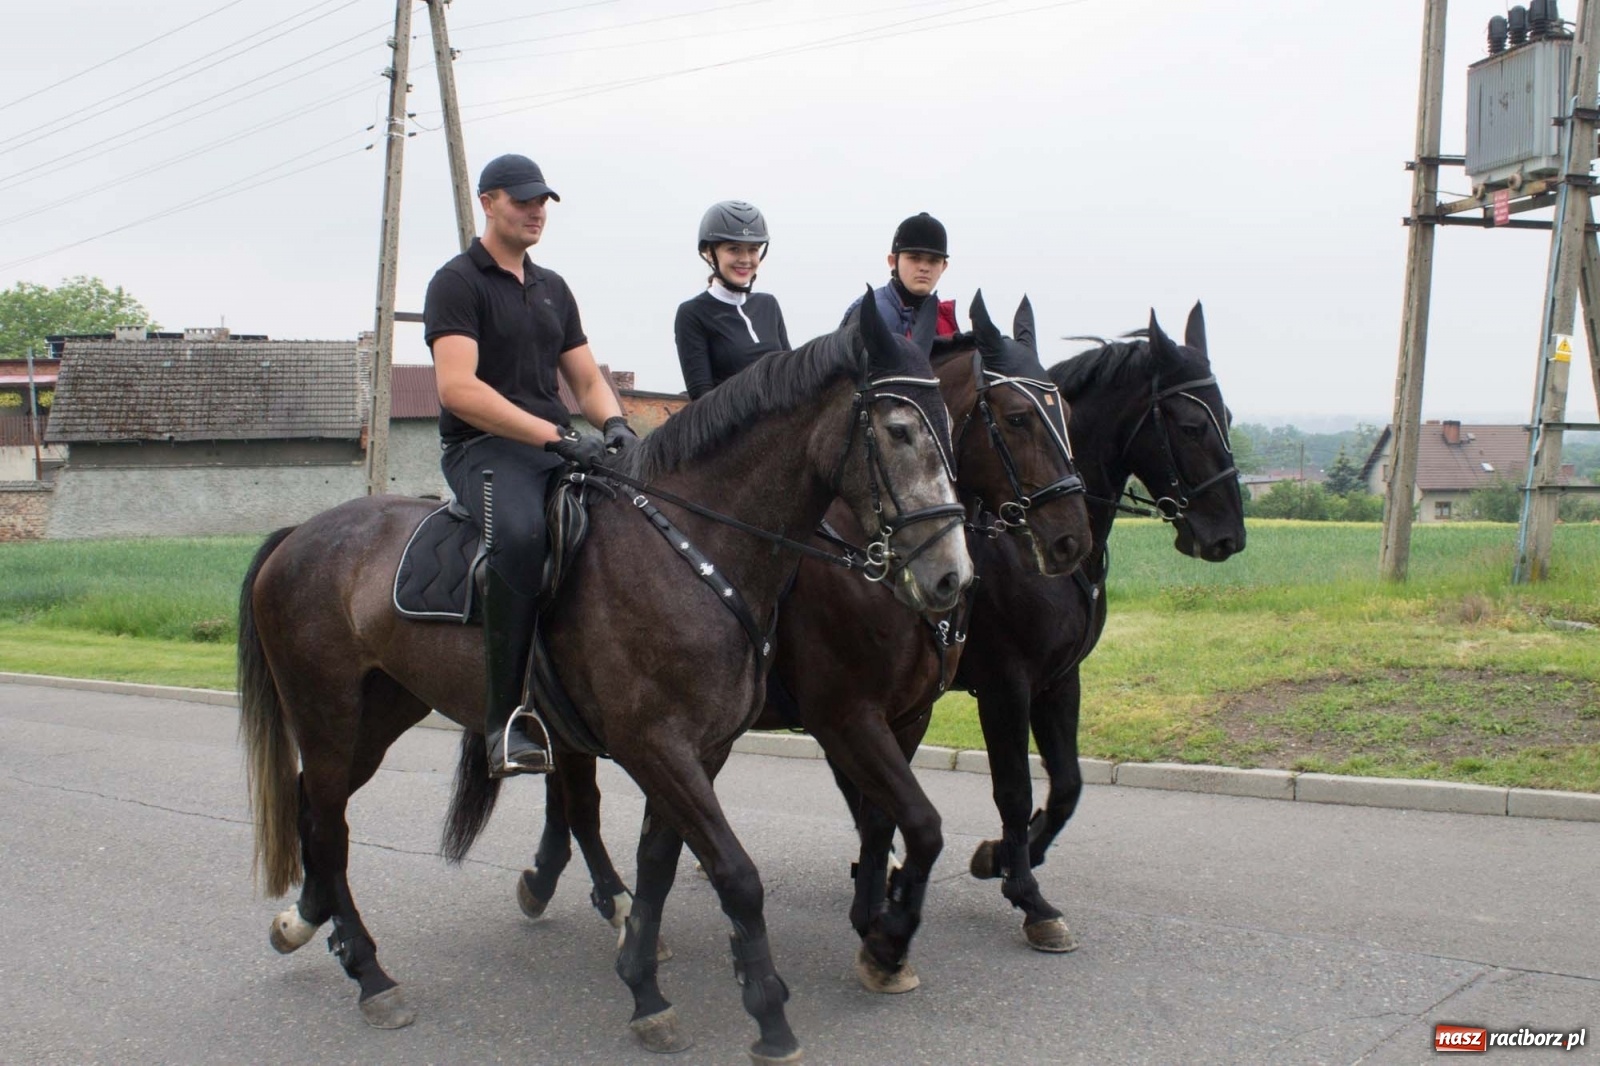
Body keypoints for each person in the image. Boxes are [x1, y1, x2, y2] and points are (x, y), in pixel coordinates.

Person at [423, 153, 637, 778]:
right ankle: (503, 722)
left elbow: (585, 377)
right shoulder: (457, 282)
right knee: (519, 536)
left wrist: (616, 424)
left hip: (552, 446)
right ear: (488, 203)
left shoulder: (553, 288)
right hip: (483, 449)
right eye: (522, 201)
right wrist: (553, 436)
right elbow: (458, 389)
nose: (536, 211)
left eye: (542, 201)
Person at [675, 200, 791, 398]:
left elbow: (791, 375)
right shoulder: (692, 314)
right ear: (709, 254)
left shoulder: (769, 305)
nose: (746, 259)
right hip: (735, 428)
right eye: (734, 249)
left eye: (753, 249)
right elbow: (702, 399)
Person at [841, 212, 960, 338]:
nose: (924, 268)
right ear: (892, 261)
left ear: (943, 267)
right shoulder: (869, 312)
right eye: (914, 258)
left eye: (933, 260)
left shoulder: (945, 321)